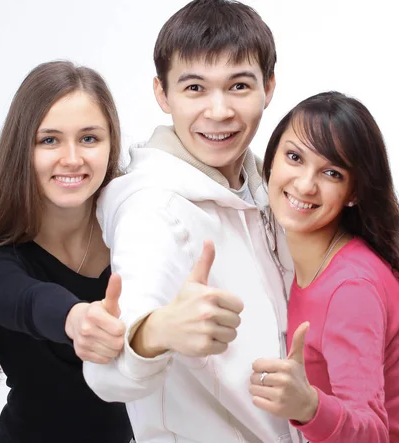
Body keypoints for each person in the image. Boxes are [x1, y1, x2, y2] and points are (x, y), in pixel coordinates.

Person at [83, 0, 302, 442]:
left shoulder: (270, 190)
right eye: (195, 88)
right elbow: (106, 375)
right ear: (162, 94)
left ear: (269, 87)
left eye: (239, 86)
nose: (218, 111)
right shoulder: (153, 209)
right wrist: (157, 331)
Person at [249, 91, 399, 442]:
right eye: (294, 157)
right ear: (270, 160)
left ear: (354, 192)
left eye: (331, 172)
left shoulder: (351, 288)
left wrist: (309, 407)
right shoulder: (316, 262)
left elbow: (373, 433)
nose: (305, 184)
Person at [0, 61, 133, 442]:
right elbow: (28, 301)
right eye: (50, 140)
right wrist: (76, 318)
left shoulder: (135, 234)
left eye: (89, 138)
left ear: (111, 144)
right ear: (22, 150)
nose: (73, 158)